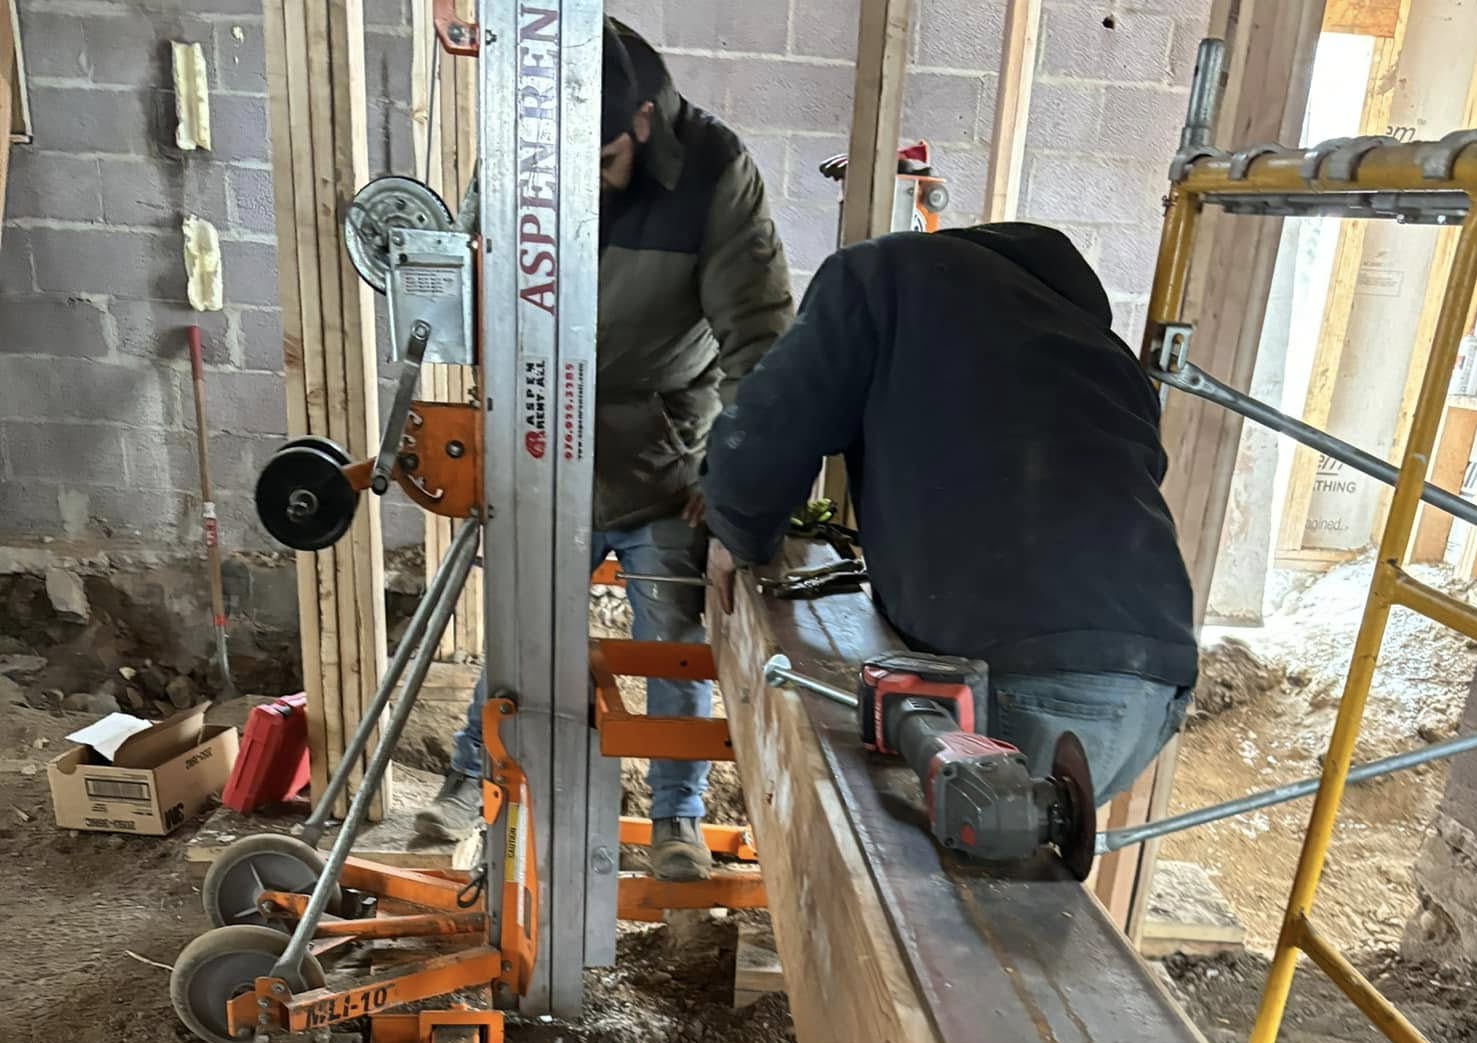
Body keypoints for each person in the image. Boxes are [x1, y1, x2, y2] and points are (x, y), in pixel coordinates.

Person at [414, 18, 793, 880]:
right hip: (539, 444)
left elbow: (762, 339)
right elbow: (462, 279)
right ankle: (470, 782)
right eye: (569, 165)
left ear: (645, 121)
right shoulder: (523, 152)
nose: (587, 179)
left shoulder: (715, 173)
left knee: (671, 635)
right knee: (520, 625)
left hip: (660, 452)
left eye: (606, 160)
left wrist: (728, 473)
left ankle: (676, 820)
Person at [702, 222, 1198, 805]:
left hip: (1017, 667)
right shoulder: (1102, 350)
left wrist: (735, 533)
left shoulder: (883, 277)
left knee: (940, 851)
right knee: (1022, 850)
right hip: (1153, 678)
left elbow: (771, 427)